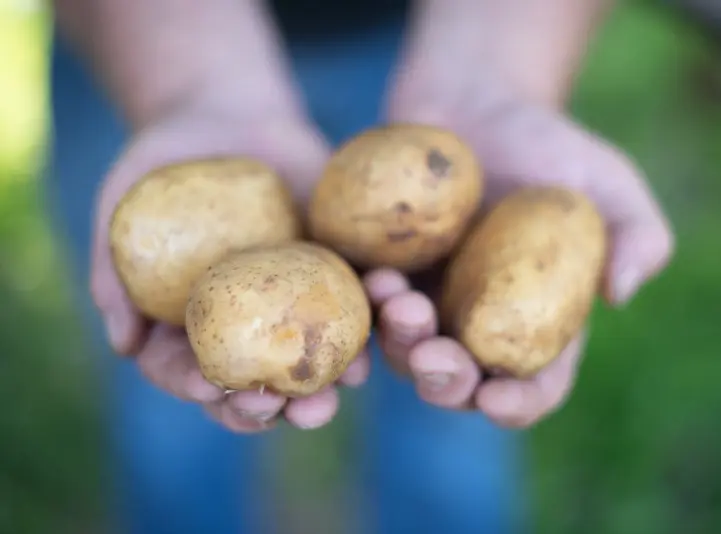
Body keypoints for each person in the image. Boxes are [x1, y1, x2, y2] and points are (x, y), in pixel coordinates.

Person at [46, 1, 674, 533]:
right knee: (171, 421)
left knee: (447, 418)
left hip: (440, 35)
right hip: (153, 33)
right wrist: (186, 88)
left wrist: (501, 75)